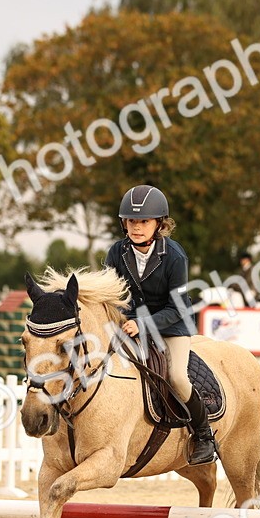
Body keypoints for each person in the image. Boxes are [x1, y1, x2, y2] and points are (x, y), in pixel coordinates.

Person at [104, 184, 215, 465]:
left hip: (171, 324)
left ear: (159, 223)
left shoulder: (175, 256)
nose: (136, 227)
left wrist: (143, 324)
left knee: (177, 376)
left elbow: (178, 306)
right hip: (128, 324)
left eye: (143, 221)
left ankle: (204, 435)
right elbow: (111, 294)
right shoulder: (116, 253)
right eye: (131, 221)